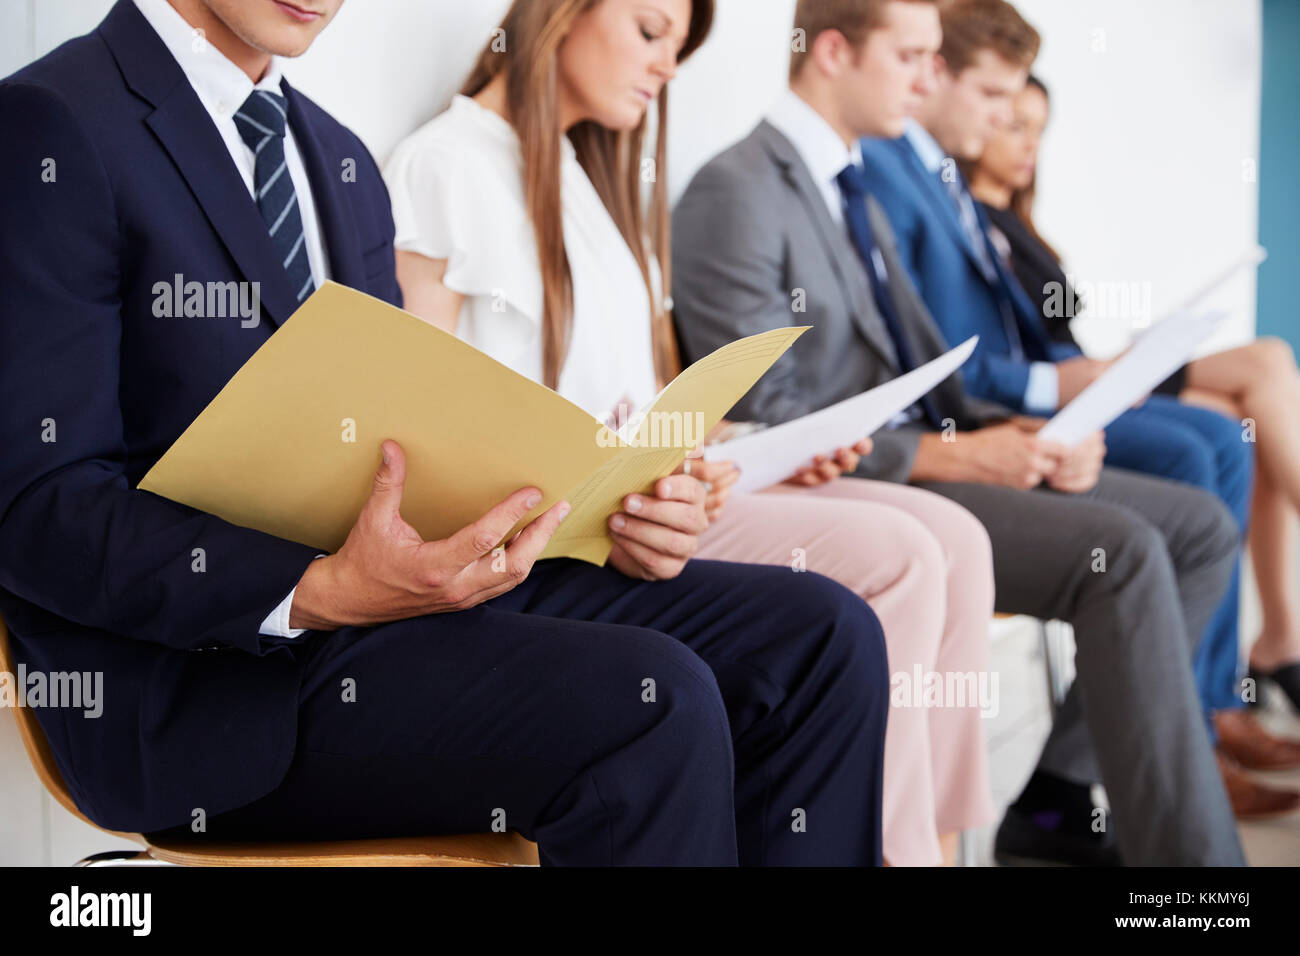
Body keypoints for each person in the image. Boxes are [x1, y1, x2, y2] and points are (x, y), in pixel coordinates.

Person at [0, 0, 894, 867]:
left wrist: (614, 514)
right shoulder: (54, 124)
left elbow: (399, 447)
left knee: (822, 637)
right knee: (650, 701)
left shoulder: (336, 157)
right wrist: (316, 590)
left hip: (399, 607)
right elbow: (38, 511)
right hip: (207, 684)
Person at [385, 0, 997, 867]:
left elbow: (638, 404)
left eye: (678, 44)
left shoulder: (584, 183)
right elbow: (413, 431)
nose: (668, 65)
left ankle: (922, 847)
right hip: (555, 538)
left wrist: (726, 451)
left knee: (945, 544)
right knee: (896, 558)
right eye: (650, 31)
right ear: (561, 15)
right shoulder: (444, 166)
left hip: (635, 508)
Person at [672, 0, 1248, 864]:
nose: (926, 79)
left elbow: (928, 364)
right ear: (834, 52)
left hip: (918, 459)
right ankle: (1194, 881)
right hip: (857, 481)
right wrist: (958, 451)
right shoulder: (738, 186)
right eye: (910, 57)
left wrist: (1021, 429)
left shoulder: (849, 184)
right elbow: (767, 420)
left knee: (1197, 526)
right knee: (1123, 552)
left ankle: (1056, 793)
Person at [855, 0, 1268, 816]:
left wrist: (1074, 376)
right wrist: (1050, 389)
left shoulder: (946, 186)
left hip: (1001, 410)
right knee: (1194, 456)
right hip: (962, 429)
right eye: (996, 99)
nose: (1009, 120)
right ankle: (1153, 742)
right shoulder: (885, 179)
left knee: (1218, 440)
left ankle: (1163, 731)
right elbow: (944, 360)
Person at [970, 75, 1300, 754]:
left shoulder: (1021, 230)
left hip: (1087, 375)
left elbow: (1056, 344)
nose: (1028, 142)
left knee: (1247, 413)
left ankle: (1253, 665)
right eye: (1012, 123)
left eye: (1037, 128)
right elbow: (1006, 362)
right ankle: (1219, 697)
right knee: (1249, 387)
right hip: (1064, 394)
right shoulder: (963, 222)